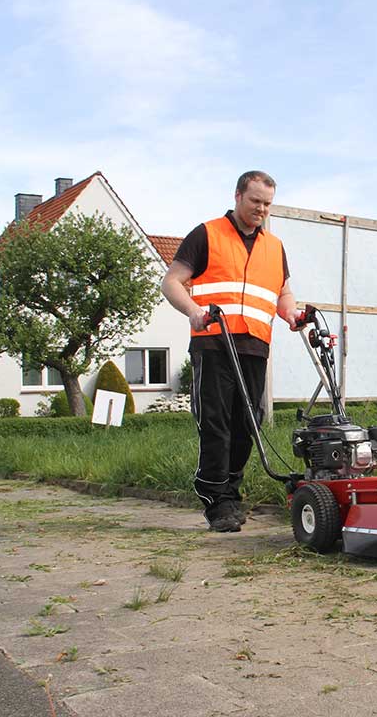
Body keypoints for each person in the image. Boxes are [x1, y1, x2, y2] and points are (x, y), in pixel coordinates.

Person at [161, 171, 298, 532]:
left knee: (246, 426)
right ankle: (216, 502)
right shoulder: (207, 234)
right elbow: (171, 281)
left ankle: (232, 496)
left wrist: (293, 314)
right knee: (217, 424)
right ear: (238, 196)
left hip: (255, 346)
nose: (261, 209)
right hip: (214, 343)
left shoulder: (274, 246)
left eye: (267, 204)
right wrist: (193, 311)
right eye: (255, 201)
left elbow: (282, 293)